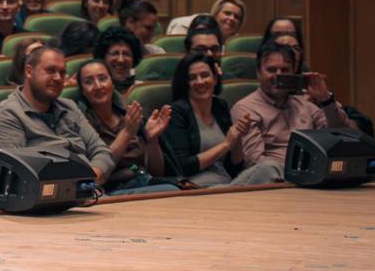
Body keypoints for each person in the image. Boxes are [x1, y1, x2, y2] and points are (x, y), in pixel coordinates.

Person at [0, 45, 119, 204]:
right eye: (50, 71)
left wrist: (88, 182)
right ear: (29, 71)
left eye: (62, 73)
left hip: (88, 196)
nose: (58, 78)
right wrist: (73, 188)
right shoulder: (8, 114)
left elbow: (102, 151)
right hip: (46, 206)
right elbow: (17, 175)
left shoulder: (69, 107)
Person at [150, 51, 274, 189]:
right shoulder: (177, 112)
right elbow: (182, 166)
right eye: (192, 78)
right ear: (186, 83)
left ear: (215, 78)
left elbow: (235, 166)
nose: (200, 82)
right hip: (196, 187)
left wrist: (237, 138)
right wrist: (226, 144)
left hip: (228, 183)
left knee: (268, 169)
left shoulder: (220, 107)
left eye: (205, 75)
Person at [228, 44, 356, 178]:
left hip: (312, 177)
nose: (279, 75)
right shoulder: (246, 108)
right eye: (271, 70)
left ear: (294, 72)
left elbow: (341, 136)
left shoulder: (306, 105)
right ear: (258, 73)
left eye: (285, 70)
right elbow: (255, 163)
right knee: (268, 168)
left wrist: (326, 100)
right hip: (273, 181)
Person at [73, 58, 175, 193]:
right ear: (82, 90)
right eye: (89, 82)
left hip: (143, 182)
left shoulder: (128, 116)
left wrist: (152, 141)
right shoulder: (82, 124)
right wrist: (126, 133)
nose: (98, 86)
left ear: (112, 82)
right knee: (169, 190)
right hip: (109, 190)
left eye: (103, 78)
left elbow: (157, 172)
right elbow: (98, 173)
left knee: (173, 190)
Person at [93, 25, 144, 94]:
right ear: (103, 57)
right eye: (115, 53)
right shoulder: (95, 89)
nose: (121, 60)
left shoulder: (142, 90)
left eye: (126, 54)